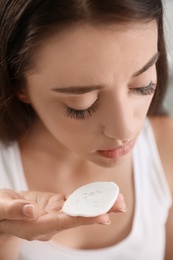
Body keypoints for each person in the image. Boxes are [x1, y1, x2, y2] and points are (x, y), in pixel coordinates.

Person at [0, 0, 172, 259]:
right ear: (19, 87)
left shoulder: (167, 148)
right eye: (81, 105)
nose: (124, 130)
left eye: (143, 85)